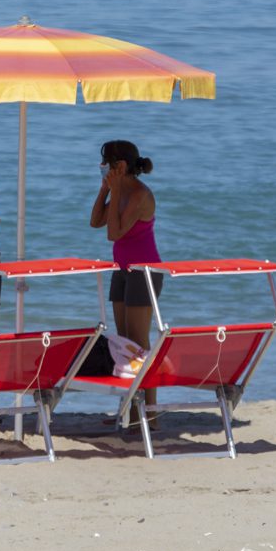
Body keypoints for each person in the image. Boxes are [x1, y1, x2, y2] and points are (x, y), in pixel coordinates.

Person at [89, 139, 162, 428]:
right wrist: (105, 189)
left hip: (144, 272)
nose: (102, 168)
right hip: (122, 271)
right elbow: (96, 222)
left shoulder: (140, 195)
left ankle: (150, 414)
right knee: (124, 343)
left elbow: (114, 234)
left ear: (120, 166)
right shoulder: (118, 192)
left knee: (140, 342)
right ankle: (131, 409)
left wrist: (116, 189)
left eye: (106, 164)